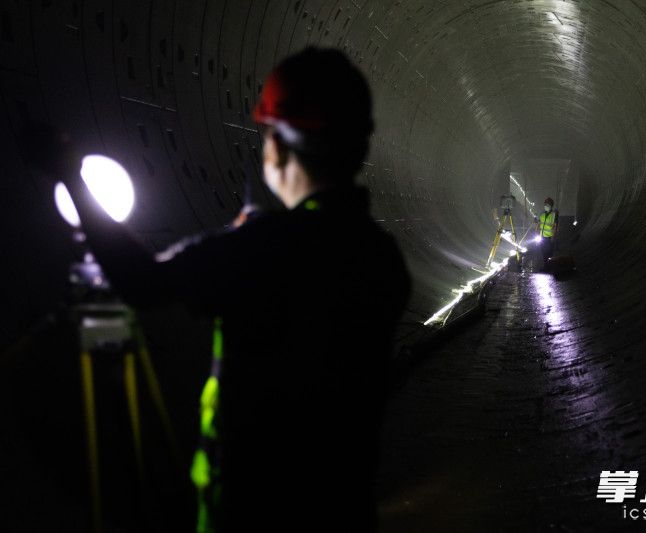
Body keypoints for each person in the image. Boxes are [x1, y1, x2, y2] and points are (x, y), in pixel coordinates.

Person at [54, 47, 410, 532]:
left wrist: (69, 174)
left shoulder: (261, 249)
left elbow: (143, 281)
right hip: (340, 509)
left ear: (278, 147)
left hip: (249, 512)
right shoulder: (380, 257)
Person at [536, 197, 558, 269]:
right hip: (542, 237)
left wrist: (553, 237)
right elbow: (539, 224)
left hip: (549, 237)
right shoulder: (542, 214)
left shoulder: (554, 214)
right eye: (545, 204)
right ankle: (546, 266)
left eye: (547, 204)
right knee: (543, 252)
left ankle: (549, 267)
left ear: (551, 205)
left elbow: (555, 226)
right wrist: (537, 233)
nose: (545, 206)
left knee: (549, 253)